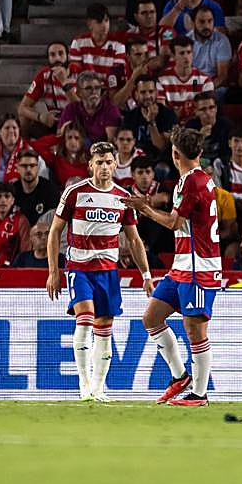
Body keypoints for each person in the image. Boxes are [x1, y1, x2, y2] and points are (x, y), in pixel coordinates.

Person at [46, 141, 154, 402]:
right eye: (99, 162)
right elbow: (54, 232)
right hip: (79, 269)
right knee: (84, 321)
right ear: (90, 165)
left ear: (115, 164)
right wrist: (53, 271)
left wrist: (146, 275)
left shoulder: (123, 198)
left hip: (108, 271)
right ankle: (83, 386)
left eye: (108, 162)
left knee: (104, 328)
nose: (104, 167)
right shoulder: (75, 193)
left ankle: (98, 388)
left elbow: (135, 240)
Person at [122, 127, 219, 406]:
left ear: (175, 153)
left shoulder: (192, 182)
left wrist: (145, 209)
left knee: (195, 330)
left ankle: (199, 395)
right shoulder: (194, 179)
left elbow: (174, 223)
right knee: (152, 318)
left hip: (199, 266)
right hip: (181, 266)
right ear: (199, 152)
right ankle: (180, 377)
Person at [12, 148, 59, 225]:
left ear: (37, 167)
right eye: (24, 166)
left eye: (32, 165)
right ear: (17, 168)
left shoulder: (50, 190)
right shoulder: (12, 190)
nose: (28, 170)